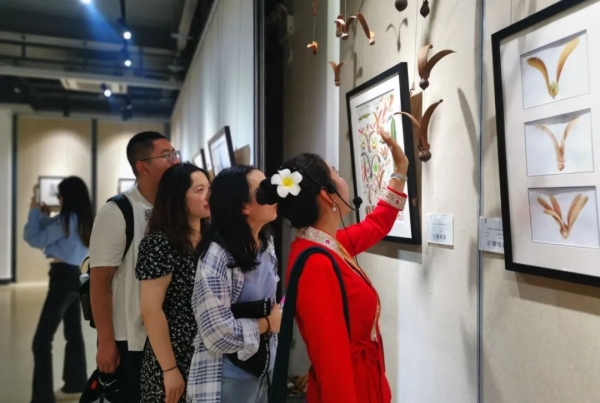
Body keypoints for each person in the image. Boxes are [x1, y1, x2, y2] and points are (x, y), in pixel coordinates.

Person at [256, 126, 409, 403]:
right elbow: (331, 365)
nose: (342, 178)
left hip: (367, 381)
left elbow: (376, 225)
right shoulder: (316, 263)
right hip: (350, 390)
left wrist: (400, 171)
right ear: (327, 194)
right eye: (336, 173)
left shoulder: (326, 245)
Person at [88, 131, 180, 402]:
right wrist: (106, 341)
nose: (175, 161)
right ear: (143, 166)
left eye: (175, 154)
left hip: (168, 335)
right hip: (130, 339)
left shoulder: (174, 210)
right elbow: (99, 283)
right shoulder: (118, 212)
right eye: (166, 156)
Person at [187, 165, 283, 403]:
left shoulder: (266, 244)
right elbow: (216, 333)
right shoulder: (217, 255)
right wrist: (267, 323)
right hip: (228, 377)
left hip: (264, 368)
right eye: (263, 191)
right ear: (243, 207)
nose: (274, 195)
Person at [135, 162, 211, 403]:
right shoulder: (160, 243)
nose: (208, 196)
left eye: (209, 188)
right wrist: (169, 369)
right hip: (173, 354)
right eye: (199, 190)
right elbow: (151, 310)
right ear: (178, 198)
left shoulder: (213, 240)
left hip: (209, 354)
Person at [24, 176, 94, 403]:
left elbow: (33, 238)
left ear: (66, 197)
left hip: (62, 279)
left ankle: (42, 397)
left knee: (41, 341)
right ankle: (76, 382)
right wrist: (43, 216)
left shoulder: (65, 221)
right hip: (78, 277)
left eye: (60, 196)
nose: (59, 200)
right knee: (74, 332)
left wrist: (33, 212)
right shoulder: (82, 220)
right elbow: (51, 228)